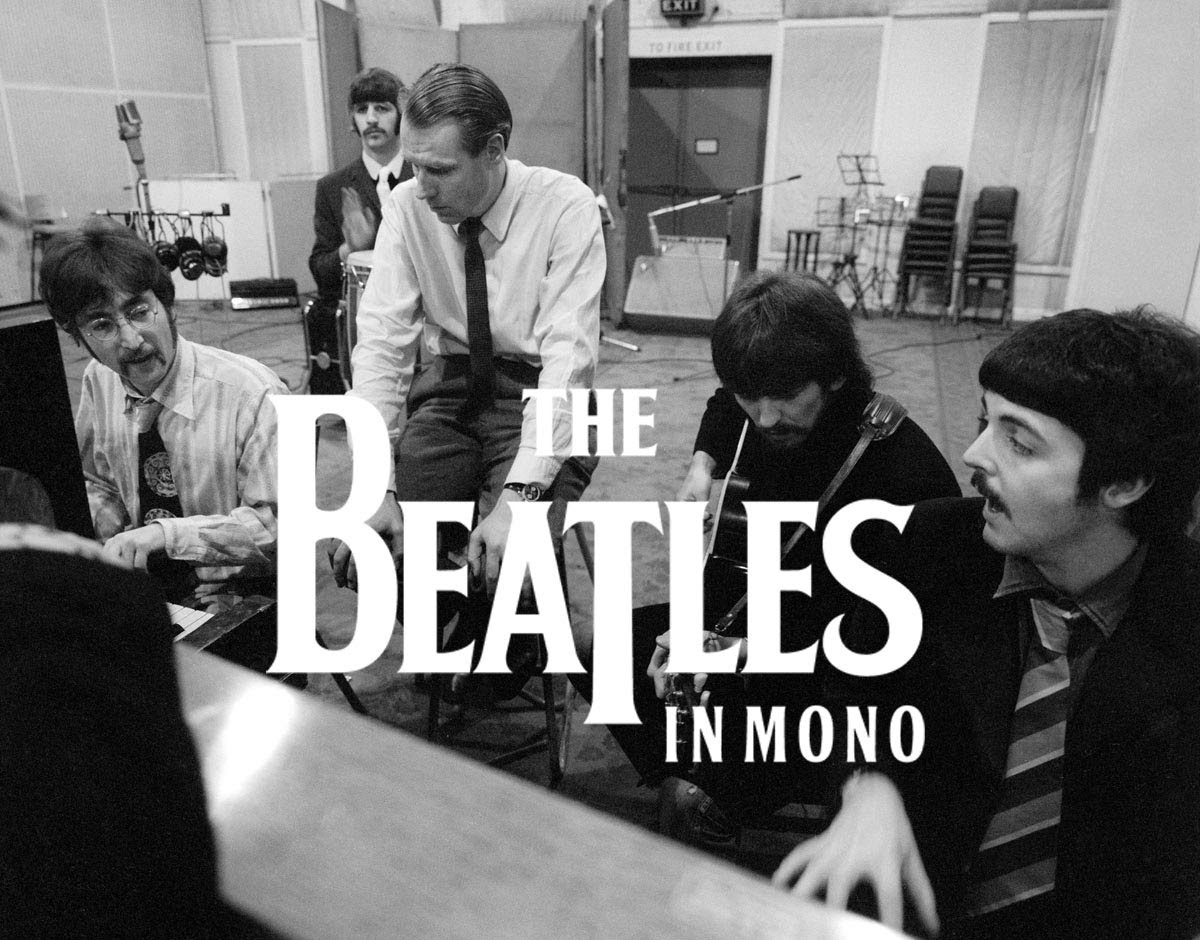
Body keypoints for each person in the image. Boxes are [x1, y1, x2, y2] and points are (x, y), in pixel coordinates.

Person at [774, 308, 1200, 940]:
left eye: (1019, 442)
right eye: (984, 422)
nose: (973, 455)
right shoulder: (928, 543)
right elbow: (846, 693)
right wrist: (869, 788)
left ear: (1126, 483)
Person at [575, 270, 960, 848]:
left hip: (826, 685)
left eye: (783, 397)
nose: (764, 418)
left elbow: (889, 653)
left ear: (836, 374)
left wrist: (736, 652)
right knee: (594, 649)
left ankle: (717, 793)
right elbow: (725, 404)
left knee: (694, 792)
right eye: (749, 396)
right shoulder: (764, 405)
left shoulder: (904, 473)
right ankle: (687, 763)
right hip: (754, 618)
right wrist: (702, 467)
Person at [329, 63, 604, 698]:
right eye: (414, 165)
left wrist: (519, 503)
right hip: (451, 388)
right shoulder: (406, 206)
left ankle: (517, 629)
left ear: (495, 149)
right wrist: (375, 487)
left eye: (440, 169)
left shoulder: (564, 206)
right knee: (391, 545)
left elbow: (567, 364)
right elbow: (382, 348)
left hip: (540, 391)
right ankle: (464, 622)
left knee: (517, 547)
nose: (421, 186)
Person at [39, 218, 285, 608]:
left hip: (246, 592)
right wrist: (106, 522)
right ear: (77, 336)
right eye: (102, 325)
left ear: (167, 306)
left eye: (139, 311)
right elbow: (96, 481)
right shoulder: (98, 381)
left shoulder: (254, 393)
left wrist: (165, 536)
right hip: (146, 589)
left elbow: (279, 525)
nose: (131, 340)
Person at [308, 67, 413, 394]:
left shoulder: (425, 176)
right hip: (365, 322)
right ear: (352, 120)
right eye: (361, 109)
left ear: (401, 116)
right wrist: (349, 249)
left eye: (382, 108)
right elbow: (320, 271)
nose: (370, 119)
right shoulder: (331, 187)